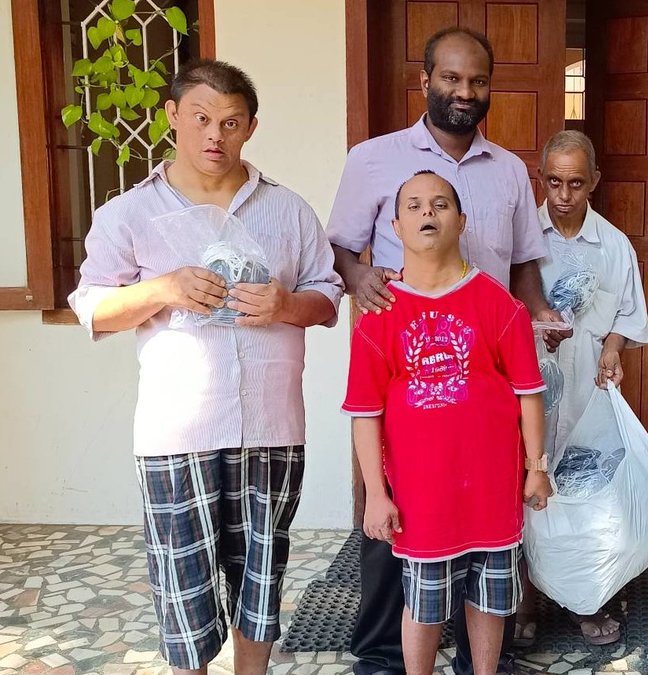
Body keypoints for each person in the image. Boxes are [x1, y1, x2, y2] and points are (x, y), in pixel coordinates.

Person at [67, 60, 343, 674]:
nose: (214, 135)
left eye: (230, 122)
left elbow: (327, 299)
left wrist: (286, 303)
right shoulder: (129, 214)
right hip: (177, 433)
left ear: (250, 128)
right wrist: (161, 288)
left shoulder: (288, 210)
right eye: (200, 119)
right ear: (172, 116)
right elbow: (93, 309)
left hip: (271, 428)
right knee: (183, 584)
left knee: (261, 579)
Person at [325, 27, 565, 675]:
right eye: (452, 79)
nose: (465, 92)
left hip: (484, 375)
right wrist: (360, 277)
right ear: (426, 80)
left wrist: (539, 313)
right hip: (403, 367)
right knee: (398, 530)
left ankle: (481, 663)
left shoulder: (510, 171)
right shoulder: (374, 158)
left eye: (478, 82)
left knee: (485, 540)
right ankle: (384, 658)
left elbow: (523, 267)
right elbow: (341, 248)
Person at [343, 170, 552, 675]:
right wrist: (376, 492)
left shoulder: (500, 307)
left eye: (439, 205)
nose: (427, 214)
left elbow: (529, 395)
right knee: (424, 602)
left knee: (488, 599)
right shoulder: (379, 318)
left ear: (461, 221)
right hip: (422, 498)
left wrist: (536, 466)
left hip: (491, 490)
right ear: (395, 226)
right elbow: (364, 414)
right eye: (413, 206)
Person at [513, 130, 648, 646]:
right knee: (531, 484)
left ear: (594, 181)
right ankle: (525, 598)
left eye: (575, 183)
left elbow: (626, 315)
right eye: (553, 182)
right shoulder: (523, 242)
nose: (564, 194)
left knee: (587, 489)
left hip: (589, 386)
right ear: (541, 178)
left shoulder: (614, 245)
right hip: (532, 385)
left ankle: (584, 600)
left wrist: (613, 348)